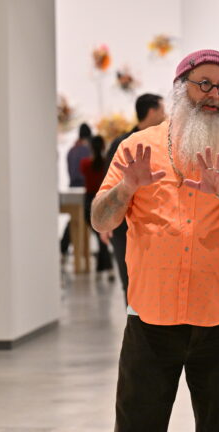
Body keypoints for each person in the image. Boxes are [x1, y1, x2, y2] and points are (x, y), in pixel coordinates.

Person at [91, 49, 219, 431]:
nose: (214, 95)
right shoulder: (136, 148)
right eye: (204, 84)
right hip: (150, 316)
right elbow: (99, 219)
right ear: (179, 88)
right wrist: (126, 187)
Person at [103, 93, 166, 302]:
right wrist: (106, 224)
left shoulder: (168, 144)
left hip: (158, 225)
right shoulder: (122, 144)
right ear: (152, 112)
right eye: (162, 110)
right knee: (129, 281)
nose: (166, 115)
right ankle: (136, 329)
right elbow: (107, 185)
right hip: (124, 226)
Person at [80, 135, 113, 278]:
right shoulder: (107, 164)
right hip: (103, 200)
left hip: (89, 202)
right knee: (103, 236)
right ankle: (107, 268)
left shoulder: (85, 164)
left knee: (101, 236)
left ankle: (103, 268)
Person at [60, 123, 92, 258]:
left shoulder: (71, 150)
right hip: (84, 189)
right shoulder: (86, 150)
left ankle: (64, 246)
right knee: (84, 219)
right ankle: (69, 247)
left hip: (72, 187)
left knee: (75, 219)